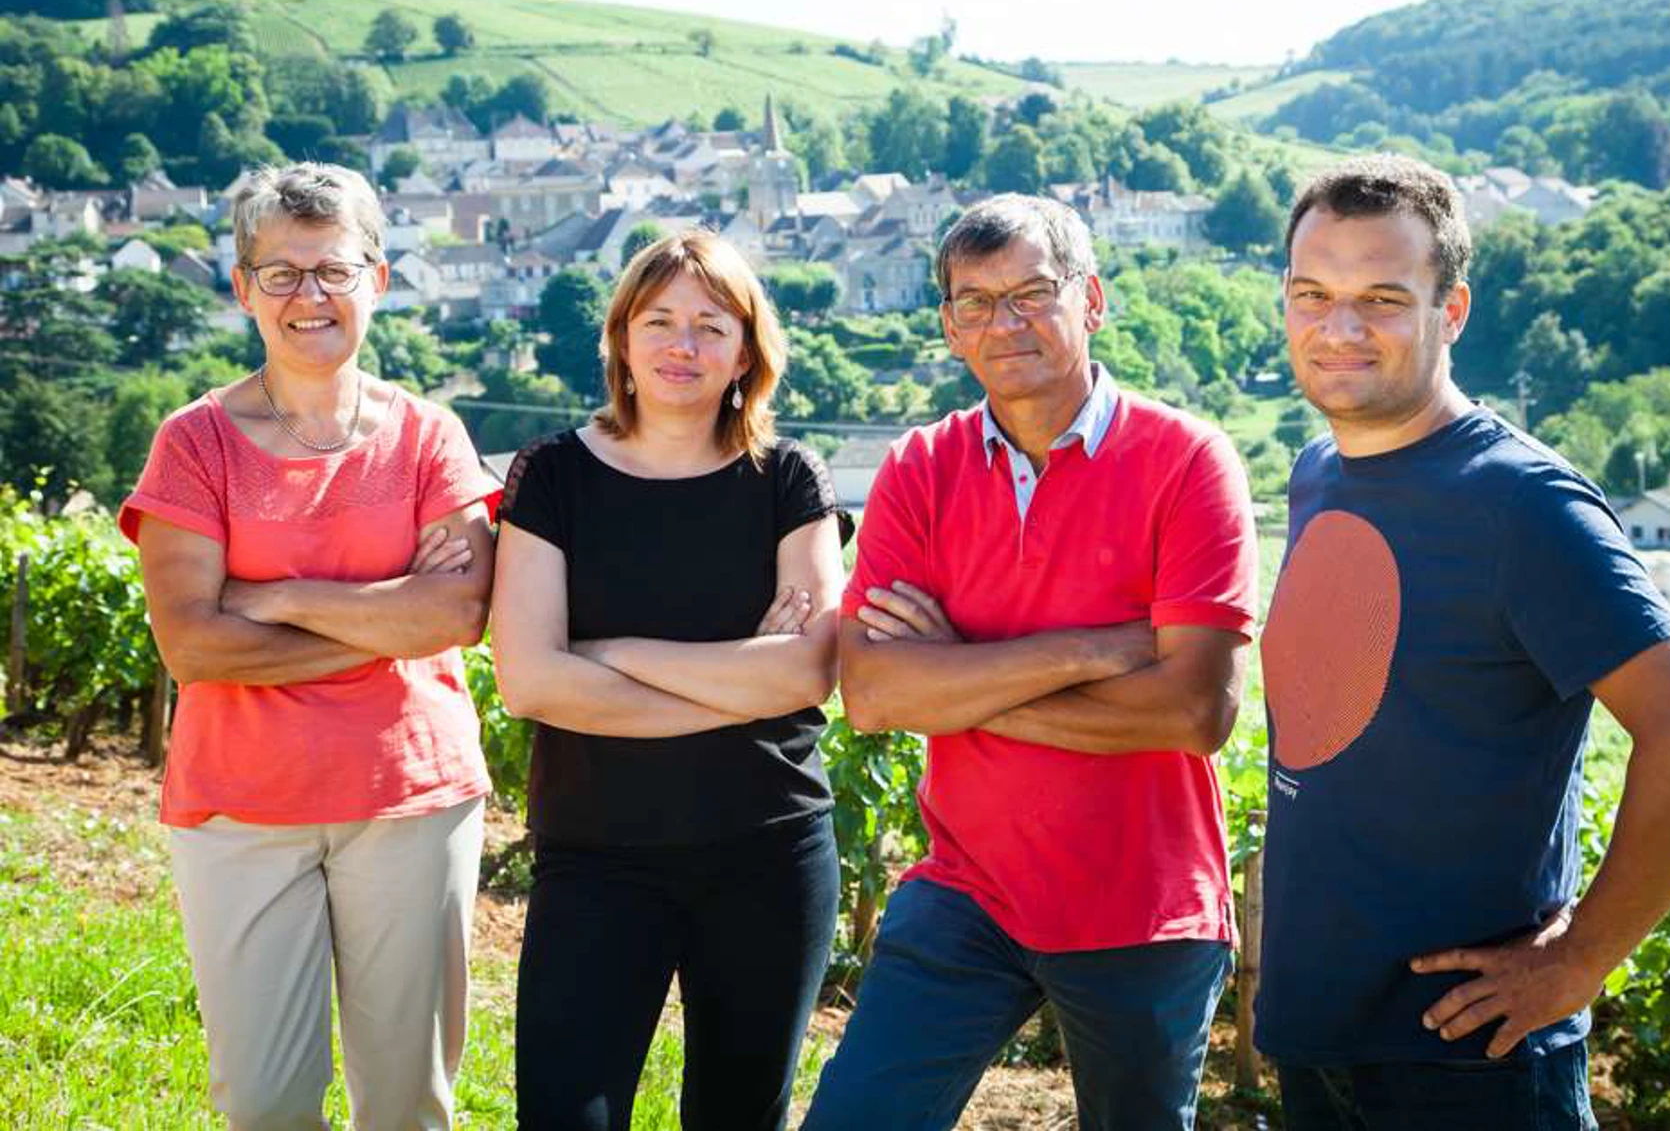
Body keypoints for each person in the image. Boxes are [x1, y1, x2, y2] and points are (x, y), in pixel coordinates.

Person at [1256, 154, 1670, 1128]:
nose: (1338, 327)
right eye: (1312, 293)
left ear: (1450, 312)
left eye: (1381, 299)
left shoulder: (1522, 505)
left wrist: (1579, 959)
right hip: (1318, 1035)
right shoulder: (1318, 471)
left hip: (1466, 1065)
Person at [802, 195, 1258, 1131]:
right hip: (966, 889)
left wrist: (955, 680)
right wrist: (1091, 649)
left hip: (1143, 905)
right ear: (948, 328)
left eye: (1031, 294)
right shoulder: (919, 467)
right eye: (974, 302)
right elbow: (874, 695)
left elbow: (1192, 714)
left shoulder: (1188, 461)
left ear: (1091, 300)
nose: (1003, 323)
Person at [119, 162, 498, 1129]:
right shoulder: (194, 444)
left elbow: (458, 613)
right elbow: (194, 647)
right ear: (243, 288)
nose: (309, 296)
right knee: (265, 1104)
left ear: (378, 279)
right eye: (281, 273)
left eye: (333, 270)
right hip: (242, 805)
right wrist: (386, 620)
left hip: (412, 795)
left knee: (408, 1102)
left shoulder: (429, 437)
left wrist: (278, 598)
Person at [489, 229, 846, 1131]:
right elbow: (529, 682)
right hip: (596, 856)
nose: (682, 346)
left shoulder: (788, 478)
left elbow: (808, 670)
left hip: (768, 853)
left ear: (746, 353)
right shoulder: (552, 475)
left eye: (710, 326)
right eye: (658, 321)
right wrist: (737, 683)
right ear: (620, 338)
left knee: (738, 1117)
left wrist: (607, 651)